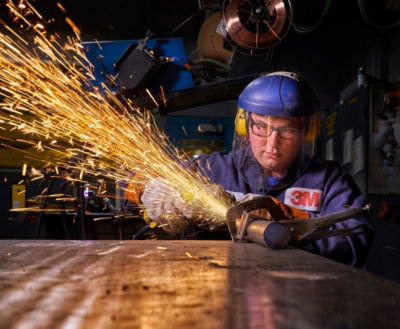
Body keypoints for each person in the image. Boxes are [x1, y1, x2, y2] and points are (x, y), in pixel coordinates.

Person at [136, 71, 373, 267]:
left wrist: (279, 217)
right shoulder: (213, 168)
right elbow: (129, 182)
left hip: (301, 297)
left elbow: (355, 240)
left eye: (287, 130)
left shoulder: (329, 179)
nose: (272, 143)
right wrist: (150, 191)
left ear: (307, 132)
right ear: (245, 125)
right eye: (261, 126)